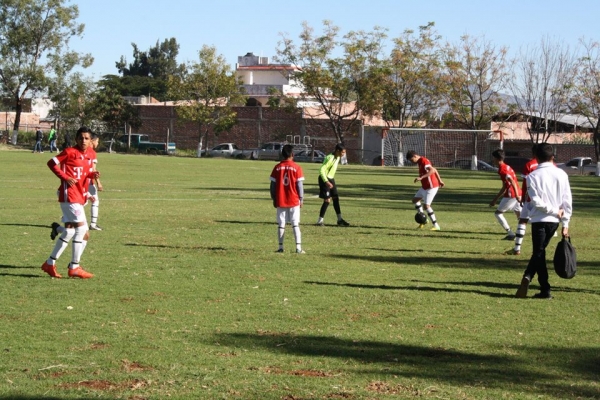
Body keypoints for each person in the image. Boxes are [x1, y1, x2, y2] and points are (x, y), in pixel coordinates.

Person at [516, 143, 572, 299]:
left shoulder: (532, 176)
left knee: (539, 253)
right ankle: (537, 283)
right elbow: (567, 200)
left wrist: (553, 211)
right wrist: (565, 222)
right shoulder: (562, 174)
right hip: (554, 221)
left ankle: (541, 286)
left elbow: (535, 202)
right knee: (539, 253)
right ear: (552, 157)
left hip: (540, 219)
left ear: (536, 157)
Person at [41, 126, 99, 279]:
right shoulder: (69, 152)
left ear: (90, 140)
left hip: (79, 196)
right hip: (69, 195)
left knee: (75, 232)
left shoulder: (89, 154)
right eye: (81, 138)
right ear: (76, 139)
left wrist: (91, 177)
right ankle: (74, 267)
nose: (83, 141)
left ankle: (50, 263)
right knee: (81, 230)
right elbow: (51, 163)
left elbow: (84, 174)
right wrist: (65, 177)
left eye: (86, 138)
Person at [270, 144, 305, 253]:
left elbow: (272, 185)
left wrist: (274, 198)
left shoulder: (277, 167)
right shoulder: (297, 167)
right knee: (295, 223)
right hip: (294, 199)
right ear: (292, 154)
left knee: (281, 224)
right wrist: (301, 198)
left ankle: (280, 247)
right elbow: (299, 185)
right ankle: (298, 248)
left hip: (281, 199)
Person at [511, 144, 539, 255]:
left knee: (523, 220)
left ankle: (517, 248)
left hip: (530, 197)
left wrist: (522, 197)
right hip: (547, 198)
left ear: (533, 153)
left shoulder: (529, 165)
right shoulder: (554, 166)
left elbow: (525, 183)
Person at [489, 149, 522, 241]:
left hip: (512, 194)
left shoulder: (503, 170)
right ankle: (544, 224)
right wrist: (495, 199)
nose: (493, 160)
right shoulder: (506, 167)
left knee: (498, 214)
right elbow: (505, 185)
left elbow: (511, 182)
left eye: (494, 158)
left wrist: (516, 195)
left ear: (497, 158)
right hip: (517, 192)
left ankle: (510, 233)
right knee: (521, 216)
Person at [406, 150, 444, 231]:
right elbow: (435, 169)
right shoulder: (420, 162)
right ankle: (423, 220)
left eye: (412, 160)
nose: (412, 162)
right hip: (425, 187)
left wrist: (421, 177)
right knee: (415, 200)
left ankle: (436, 226)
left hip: (432, 187)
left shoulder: (423, 161)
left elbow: (432, 170)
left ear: (415, 156)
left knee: (426, 206)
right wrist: (440, 180)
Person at [316, 143, 350, 226]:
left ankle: (339, 219)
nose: (343, 154)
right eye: (342, 152)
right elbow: (321, 170)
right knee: (327, 200)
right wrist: (326, 181)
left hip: (331, 178)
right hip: (324, 179)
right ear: (338, 151)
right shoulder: (330, 158)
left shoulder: (337, 156)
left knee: (335, 198)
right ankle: (319, 221)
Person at [88, 133, 104, 230]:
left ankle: (68, 218)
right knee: (94, 201)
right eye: (97, 141)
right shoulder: (92, 152)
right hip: (88, 181)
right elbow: (93, 170)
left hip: (80, 180)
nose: (98, 143)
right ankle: (93, 224)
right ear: (92, 141)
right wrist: (98, 182)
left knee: (82, 200)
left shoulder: (82, 150)